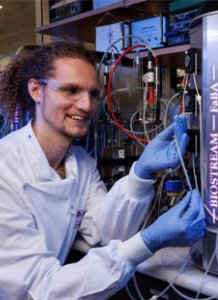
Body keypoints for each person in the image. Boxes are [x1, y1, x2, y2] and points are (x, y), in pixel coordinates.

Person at [0, 42, 205, 299]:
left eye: (94, 94)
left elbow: (106, 233)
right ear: (36, 90)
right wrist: (150, 241)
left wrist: (140, 175)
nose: (86, 105)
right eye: (71, 90)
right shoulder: (5, 169)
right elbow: (39, 289)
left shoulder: (80, 162)